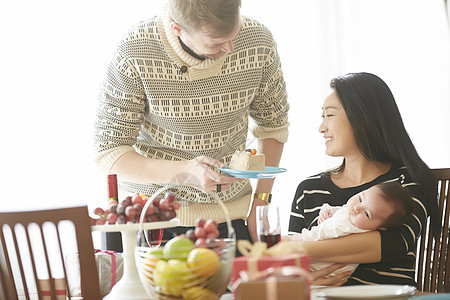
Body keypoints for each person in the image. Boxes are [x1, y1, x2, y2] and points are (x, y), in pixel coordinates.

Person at [93, 0, 289, 251]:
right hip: (152, 221)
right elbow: (110, 152)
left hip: (234, 216)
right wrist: (186, 172)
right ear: (177, 29)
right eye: (216, 43)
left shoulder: (259, 41)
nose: (230, 48)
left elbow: (273, 126)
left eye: (235, 33)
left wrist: (261, 202)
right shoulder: (136, 49)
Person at [284, 72, 439, 287]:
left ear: (362, 118)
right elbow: (288, 266)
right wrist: (299, 279)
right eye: (323, 117)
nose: (321, 128)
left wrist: (297, 248)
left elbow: (393, 243)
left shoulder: (405, 182)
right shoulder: (309, 189)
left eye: (329, 115)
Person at [289, 181, 415, 277]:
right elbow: (341, 210)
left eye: (367, 214)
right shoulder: (353, 216)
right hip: (311, 272)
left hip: (319, 269)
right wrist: (327, 212)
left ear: (382, 228)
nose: (356, 208)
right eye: (360, 198)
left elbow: (319, 235)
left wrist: (294, 241)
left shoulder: (347, 226)